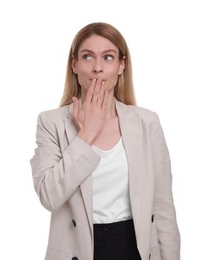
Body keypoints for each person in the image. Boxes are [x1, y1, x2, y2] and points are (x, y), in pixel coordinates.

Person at [30, 22, 180, 260]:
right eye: (88, 57)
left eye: (108, 58)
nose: (97, 68)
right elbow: (49, 196)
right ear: (74, 64)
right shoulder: (51, 122)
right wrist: (85, 136)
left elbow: (163, 206)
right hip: (78, 249)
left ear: (122, 65)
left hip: (135, 245)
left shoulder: (146, 122)